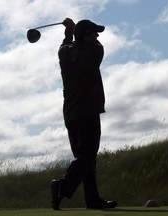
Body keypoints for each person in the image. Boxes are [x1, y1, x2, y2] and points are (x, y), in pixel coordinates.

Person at [50, 18, 117, 210]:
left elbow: (65, 44)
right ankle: (62, 187)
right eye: (94, 33)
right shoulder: (95, 52)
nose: (97, 36)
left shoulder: (64, 53)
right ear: (86, 36)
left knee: (85, 159)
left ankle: (93, 200)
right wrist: (72, 31)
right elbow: (97, 45)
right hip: (88, 111)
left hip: (70, 114)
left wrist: (69, 32)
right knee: (87, 156)